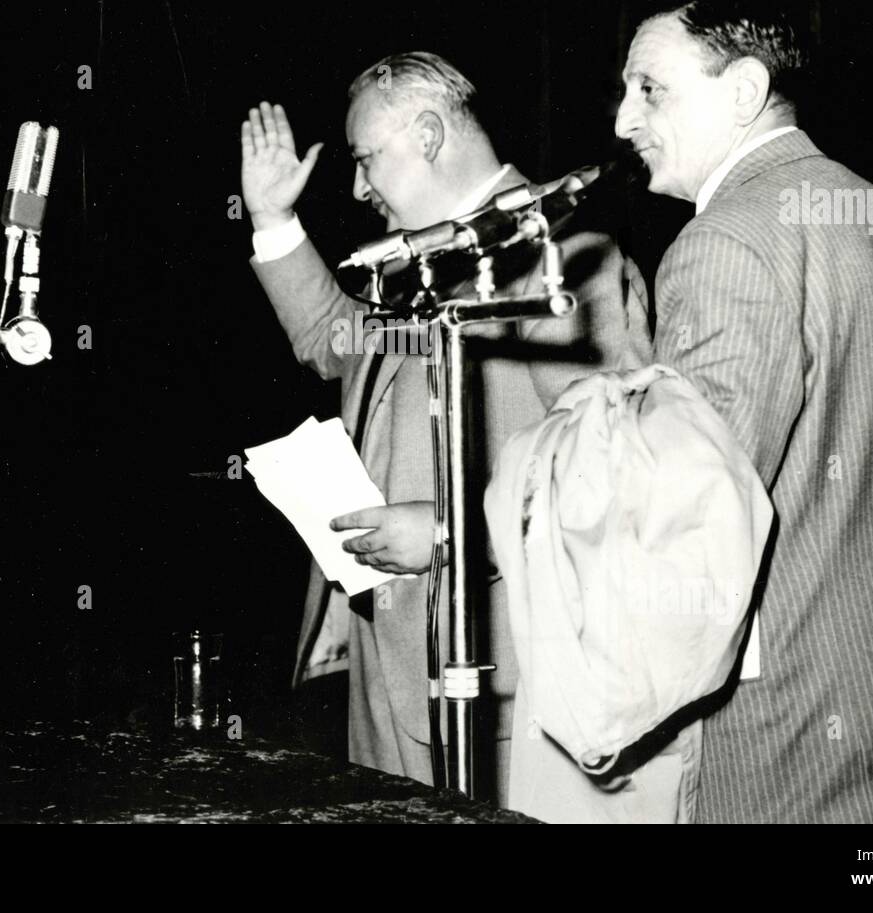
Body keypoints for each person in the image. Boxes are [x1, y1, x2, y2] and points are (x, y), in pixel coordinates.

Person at [613, 0, 873, 822]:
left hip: (801, 761)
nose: (623, 118)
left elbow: (678, 523)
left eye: (650, 89)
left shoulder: (722, 242)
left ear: (743, 92)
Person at [241, 52, 651, 802]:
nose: (359, 188)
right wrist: (272, 219)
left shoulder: (561, 256)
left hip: (495, 696)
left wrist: (444, 533)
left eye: (368, 160)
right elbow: (341, 339)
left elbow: (618, 485)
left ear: (427, 136)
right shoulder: (429, 254)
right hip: (386, 682)